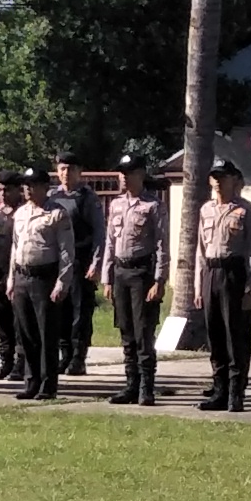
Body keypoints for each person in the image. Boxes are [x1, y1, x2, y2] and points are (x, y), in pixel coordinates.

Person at [193, 158, 251, 411]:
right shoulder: (206, 210)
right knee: (215, 336)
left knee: (236, 336)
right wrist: (198, 285)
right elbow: (201, 251)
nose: (219, 182)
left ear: (235, 180)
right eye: (216, 177)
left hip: (235, 275)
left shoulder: (248, 211)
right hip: (212, 273)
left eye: (224, 177)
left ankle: (236, 392)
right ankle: (219, 391)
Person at [101, 156, 171, 403]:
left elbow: (162, 244)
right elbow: (110, 242)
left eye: (129, 173)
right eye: (122, 173)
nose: (124, 177)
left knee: (143, 332)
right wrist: (106, 277)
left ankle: (146, 387)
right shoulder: (116, 204)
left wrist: (159, 280)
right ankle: (130, 384)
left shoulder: (153, 206)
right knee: (126, 331)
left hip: (142, 274)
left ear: (140, 174)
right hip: (121, 273)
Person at [3, 166, 76, 399]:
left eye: (32, 185)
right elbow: (15, 247)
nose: (27, 189)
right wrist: (11, 280)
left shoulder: (57, 213)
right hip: (22, 276)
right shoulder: (20, 213)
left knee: (46, 335)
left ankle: (47, 385)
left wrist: (62, 282)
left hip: (45, 278)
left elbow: (67, 252)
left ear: (45, 187)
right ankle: (31, 381)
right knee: (26, 334)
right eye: (26, 185)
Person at [56, 158, 105, 379]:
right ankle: (64, 355)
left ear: (80, 172)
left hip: (80, 263)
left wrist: (96, 264)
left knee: (80, 313)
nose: (67, 173)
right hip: (57, 264)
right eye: (63, 169)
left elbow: (99, 234)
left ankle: (78, 357)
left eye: (72, 169)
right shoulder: (52, 197)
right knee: (61, 312)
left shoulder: (87, 198)